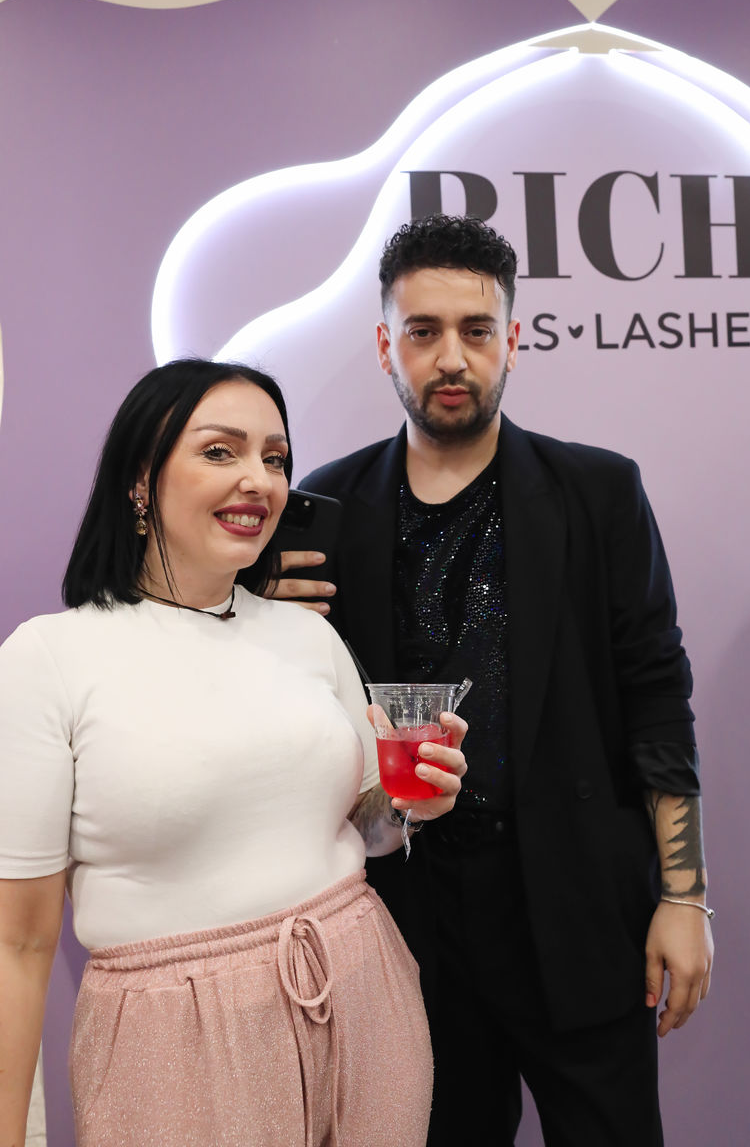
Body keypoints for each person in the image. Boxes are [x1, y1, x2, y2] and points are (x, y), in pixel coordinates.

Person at [276, 215, 715, 1147]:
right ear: (385, 346)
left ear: (512, 340)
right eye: (423, 331)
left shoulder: (598, 494)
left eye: (476, 330)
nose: (452, 358)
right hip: (407, 919)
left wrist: (683, 897)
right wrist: (268, 630)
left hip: (578, 909)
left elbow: (656, 700)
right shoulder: (329, 508)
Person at [0, 358, 467, 1147]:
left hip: (363, 991)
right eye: (220, 451)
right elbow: (18, 942)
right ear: (140, 481)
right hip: (174, 1039)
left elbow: (369, 827)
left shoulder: (307, 635)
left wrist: (414, 803)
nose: (259, 480)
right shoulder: (48, 658)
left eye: (275, 458)